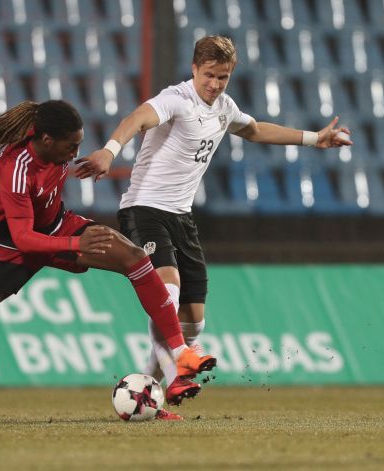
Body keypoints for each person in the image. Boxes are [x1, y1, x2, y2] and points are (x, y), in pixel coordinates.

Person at [0, 100, 216, 424]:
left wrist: (103, 157)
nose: (75, 153)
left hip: (56, 226)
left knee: (135, 257)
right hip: (9, 248)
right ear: (47, 140)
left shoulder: (55, 148)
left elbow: (53, 202)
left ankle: (180, 353)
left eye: (79, 145)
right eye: (71, 146)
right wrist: (76, 243)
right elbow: (23, 238)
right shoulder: (14, 167)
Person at [75, 35, 352, 400]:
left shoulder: (224, 107)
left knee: (193, 321)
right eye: (209, 75)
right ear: (194, 69)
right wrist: (110, 151)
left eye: (223, 77)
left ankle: (147, 388)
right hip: (144, 209)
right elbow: (138, 117)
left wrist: (315, 138)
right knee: (168, 291)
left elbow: (254, 130)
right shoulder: (176, 99)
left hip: (182, 216)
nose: (215, 84)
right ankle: (174, 372)